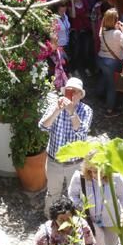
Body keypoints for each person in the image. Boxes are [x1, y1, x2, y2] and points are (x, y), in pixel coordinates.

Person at [68, 155, 123, 245]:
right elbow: (72, 195)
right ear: (88, 168)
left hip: (111, 219)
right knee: (97, 244)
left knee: (110, 243)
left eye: (101, 170)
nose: (98, 174)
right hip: (92, 220)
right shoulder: (80, 178)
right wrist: (81, 206)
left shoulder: (116, 178)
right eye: (94, 171)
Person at [39, 78, 93, 213]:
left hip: (75, 163)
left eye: (75, 92)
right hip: (54, 161)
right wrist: (57, 111)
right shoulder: (55, 106)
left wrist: (71, 112)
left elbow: (81, 133)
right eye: (69, 91)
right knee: (52, 193)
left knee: (75, 195)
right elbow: (42, 126)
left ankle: (75, 224)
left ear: (81, 95)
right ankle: (50, 220)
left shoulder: (86, 110)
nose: (72, 94)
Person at [96, 8, 123, 116]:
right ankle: (109, 110)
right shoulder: (117, 33)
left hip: (101, 59)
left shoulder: (102, 31)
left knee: (104, 77)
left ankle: (99, 94)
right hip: (112, 62)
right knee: (112, 86)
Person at [67, 0, 93, 78]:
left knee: (86, 50)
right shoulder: (69, 4)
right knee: (76, 51)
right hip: (75, 30)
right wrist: (72, 1)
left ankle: (86, 68)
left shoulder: (84, 1)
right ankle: (75, 69)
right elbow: (73, 15)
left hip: (85, 29)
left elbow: (88, 13)